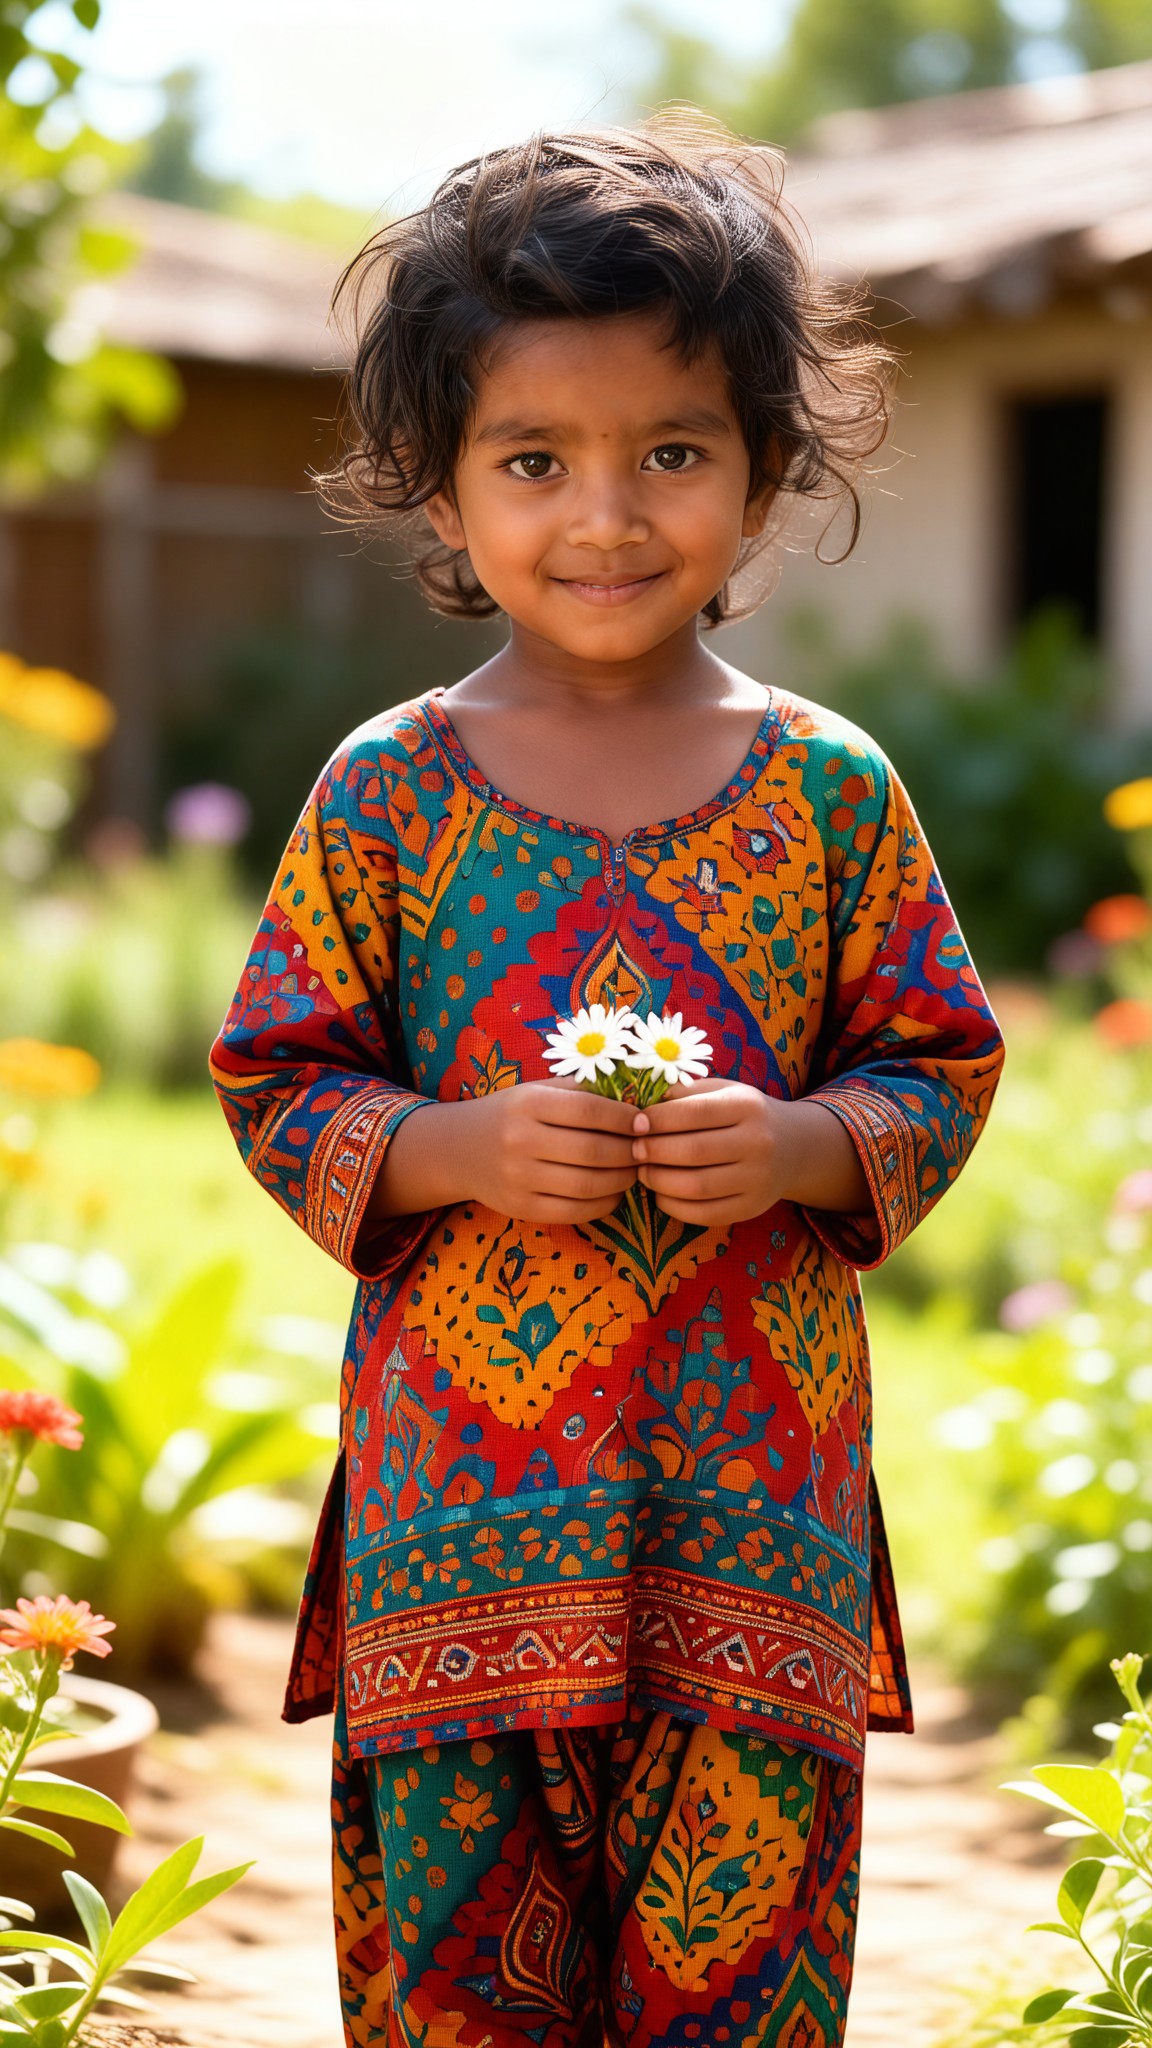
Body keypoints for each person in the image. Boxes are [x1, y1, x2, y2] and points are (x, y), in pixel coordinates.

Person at [210, 115, 1005, 2048]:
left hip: (757, 1516)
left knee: (742, 1983)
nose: (608, 516)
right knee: (458, 1981)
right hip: (457, 1524)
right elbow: (277, 1078)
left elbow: (940, 1062)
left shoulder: (830, 790)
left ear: (765, 468)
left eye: (673, 452)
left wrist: (807, 1143)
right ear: (442, 486)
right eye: (533, 460)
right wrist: (453, 1145)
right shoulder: (386, 791)